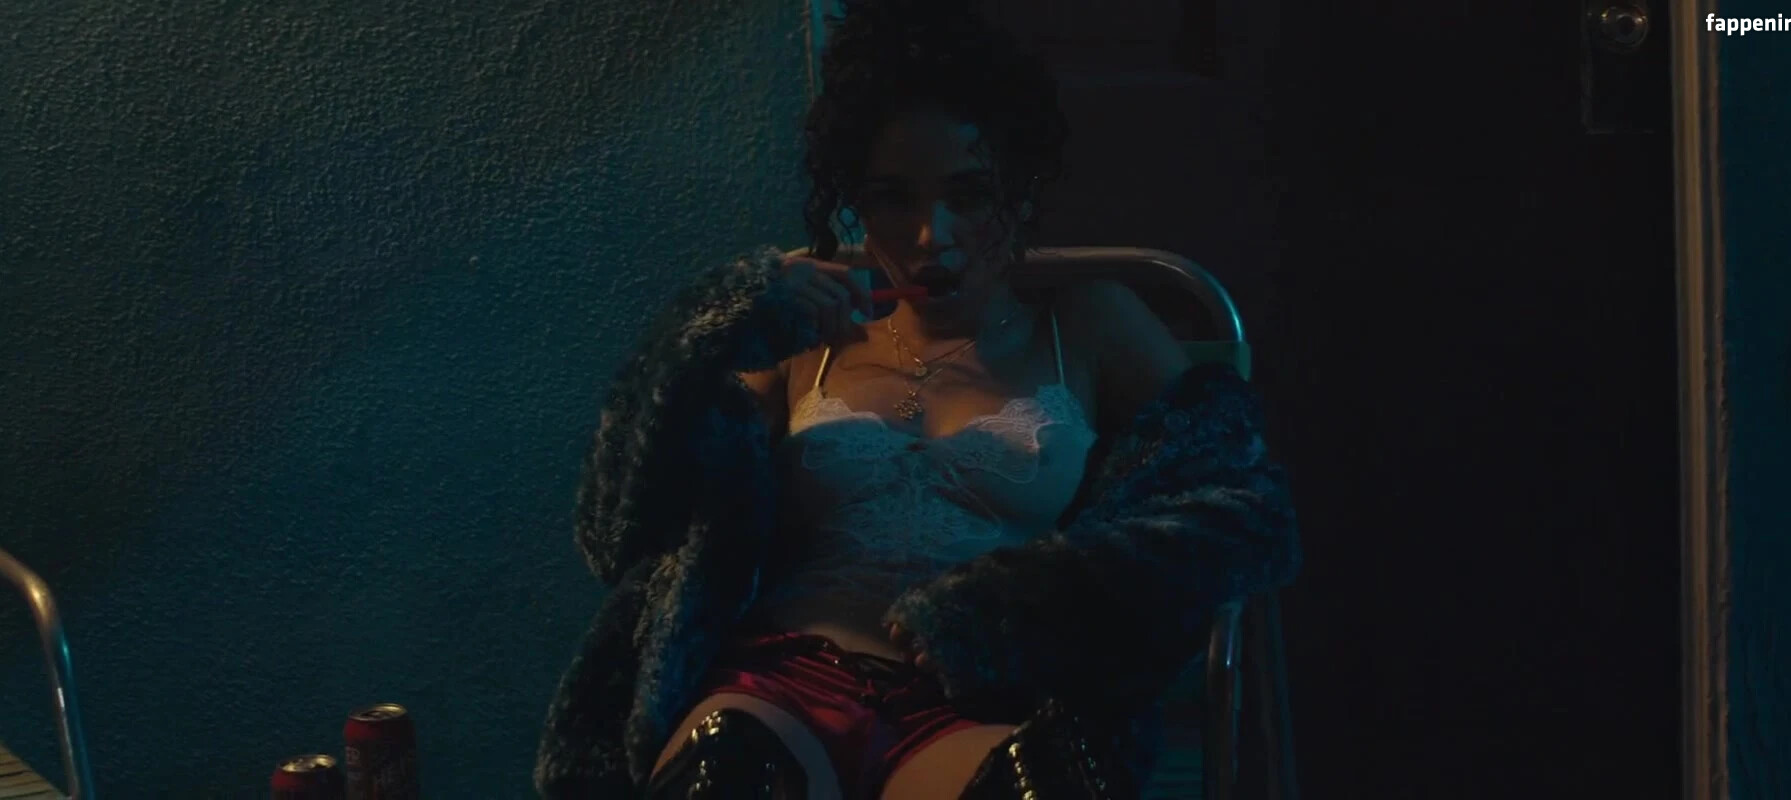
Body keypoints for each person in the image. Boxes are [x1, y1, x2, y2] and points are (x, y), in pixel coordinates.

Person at [534, 1, 1299, 797]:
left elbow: (1242, 512)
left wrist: (1023, 603)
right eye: (894, 197)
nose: (933, 235)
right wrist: (718, 324)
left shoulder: (1091, 324)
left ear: (1020, 190)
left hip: (973, 707)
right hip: (781, 686)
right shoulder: (808, 340)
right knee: (726, 775)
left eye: (968, 194)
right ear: (857, 204)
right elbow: (621, 525)